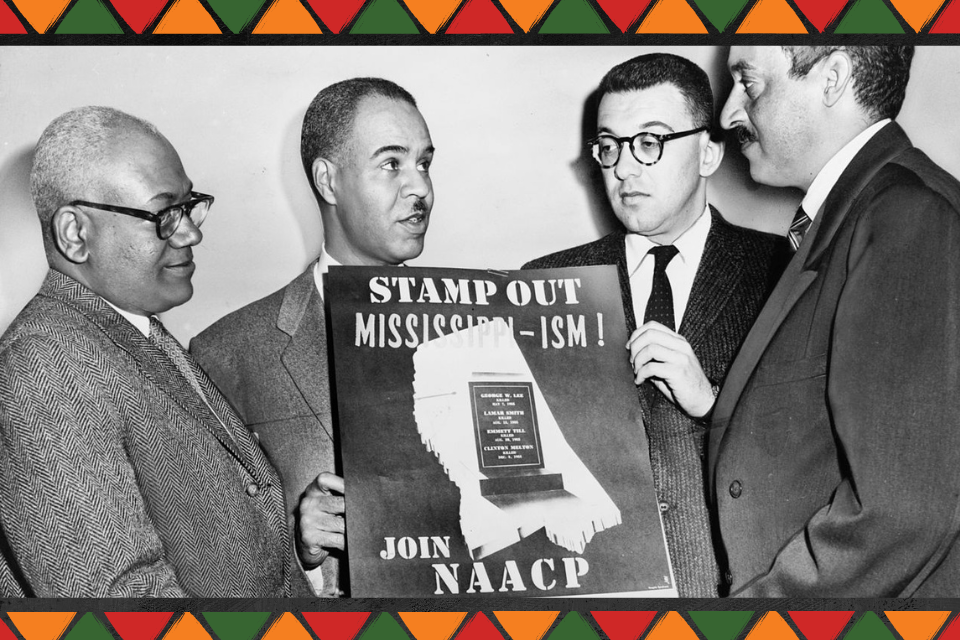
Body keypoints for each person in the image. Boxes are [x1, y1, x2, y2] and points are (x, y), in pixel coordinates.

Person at [0, 106, 314, 597]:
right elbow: (116, 610)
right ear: (75, 234)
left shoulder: (129, 330)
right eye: (163, 214)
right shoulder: (45, 363)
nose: (191, 232)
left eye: (189, 205)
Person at [523, 53, 786, 596]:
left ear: (709, 152)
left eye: (649, 141)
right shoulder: (545, 283)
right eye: (609, 146)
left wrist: (712, 403)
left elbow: (813, 459)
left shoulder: (782, 273)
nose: (623, 168)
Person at [710, 46, 960, 597]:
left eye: (749, 84)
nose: (727, 114)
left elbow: (901, 513)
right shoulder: (862, 210)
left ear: (833, 79)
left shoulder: (906, 214)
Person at [192, 77, 435, 597]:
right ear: (327, 181)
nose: (421, 188)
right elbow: (210, 558)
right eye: (392, 164)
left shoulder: (483, 326)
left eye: (425, 163)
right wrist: (299, 548)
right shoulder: (226, 354)